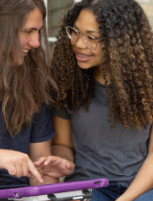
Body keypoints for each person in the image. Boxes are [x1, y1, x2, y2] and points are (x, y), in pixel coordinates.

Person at [0, 0, 74, 200]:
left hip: (16, 193)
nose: (36, 42)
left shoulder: (36, 77)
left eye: (38, 31)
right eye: (27, 32)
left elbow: (39, 174)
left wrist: (48, 172)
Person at [50, 0, 153, 200]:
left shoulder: (148, 86)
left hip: (141, 188)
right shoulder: (67, 81)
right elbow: (64, 145)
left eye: (91, 37)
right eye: (75, 32)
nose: (79, 43)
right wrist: (61, 161)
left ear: (121, 41)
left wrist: (125, 199)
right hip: (87, 188)